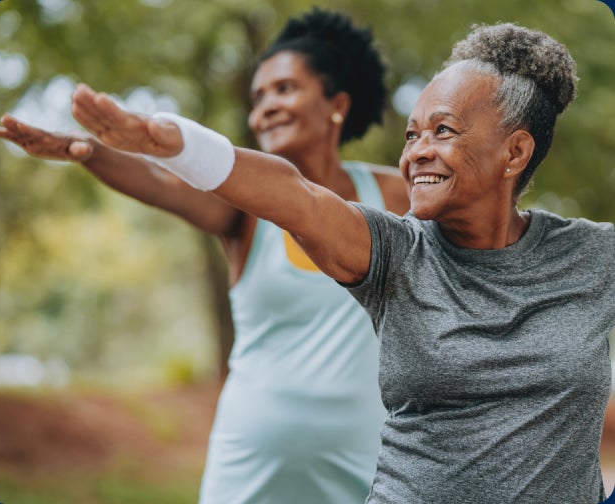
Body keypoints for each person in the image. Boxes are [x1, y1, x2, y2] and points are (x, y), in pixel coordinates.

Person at [34, 21, 615, 503]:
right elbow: (297, 196)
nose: (416, 153)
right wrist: (174, 143)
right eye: (411, 135)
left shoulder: (594, 257)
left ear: (515, 151)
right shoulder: (394, 251)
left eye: (443, 131)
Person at [0, 8, 410, 504]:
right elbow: (159, 182)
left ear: (336, 103)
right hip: (251, 462)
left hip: (368, 461)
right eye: (257, 98)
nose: (265, 109)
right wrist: (93, 151)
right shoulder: (246, 212)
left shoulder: (393, 195)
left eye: (284, 89)